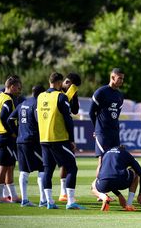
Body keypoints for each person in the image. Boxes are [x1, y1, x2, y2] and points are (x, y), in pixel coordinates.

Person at [37, 72, 84, 210]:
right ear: (61, 82)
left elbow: (36, 115)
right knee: (72, 168)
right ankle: (70, 201)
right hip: (59, 138)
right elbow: (68, 118)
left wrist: (73, 94)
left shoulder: (41, 96)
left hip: (44, 138)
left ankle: (49, 202)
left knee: (48, 170)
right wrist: (72, 139)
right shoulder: (60, 96)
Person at [7, 85, 46, 207]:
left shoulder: (22, 103)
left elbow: (9, 119)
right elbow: (40, 122)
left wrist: (16, 132)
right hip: (33, 141)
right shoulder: (37, 104)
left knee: (23, 171)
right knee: (43, 168)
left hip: (20, 141)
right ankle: (43, 200)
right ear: (41, 94)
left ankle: (24, 200)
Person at [0, 75, 22, 204]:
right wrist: (12, 132)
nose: (19, 90)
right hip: (5, 136)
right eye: (18, 87)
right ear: (12, 86)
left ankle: (12, 195)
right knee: (3, 166)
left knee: (10, 165)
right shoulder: (8, 100)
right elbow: (4, 117)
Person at [89, 68, 124, 177]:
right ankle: (98, 189)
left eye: (123, 79)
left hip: (114, 133)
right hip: (102, 132)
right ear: (112, 77)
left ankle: (107, 188)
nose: (121, 81)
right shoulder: (101, 92)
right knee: (102, 160)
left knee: (114, 160)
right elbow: (91, 112)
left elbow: (116, 116)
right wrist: (96, 129)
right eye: (119, 78)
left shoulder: (120, 95)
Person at [91, 145, 141, 212]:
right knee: (135, 172)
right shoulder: (126, 154)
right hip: (121, 181)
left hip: (104, 183)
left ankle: (103, 196)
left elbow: (107, 177)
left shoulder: (105, 153)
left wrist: (119, 196)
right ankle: (129, 205)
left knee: (93, 185)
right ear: (123, 149)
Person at [59, 72, 81, 202]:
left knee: (65, 163)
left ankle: (63, 193)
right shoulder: (57, 92)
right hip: (58, 132)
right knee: (51, 165)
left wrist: (75, 95)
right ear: (67, 82)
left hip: (65, 132)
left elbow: (75, 110)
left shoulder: (70, 93)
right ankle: (61, 194)